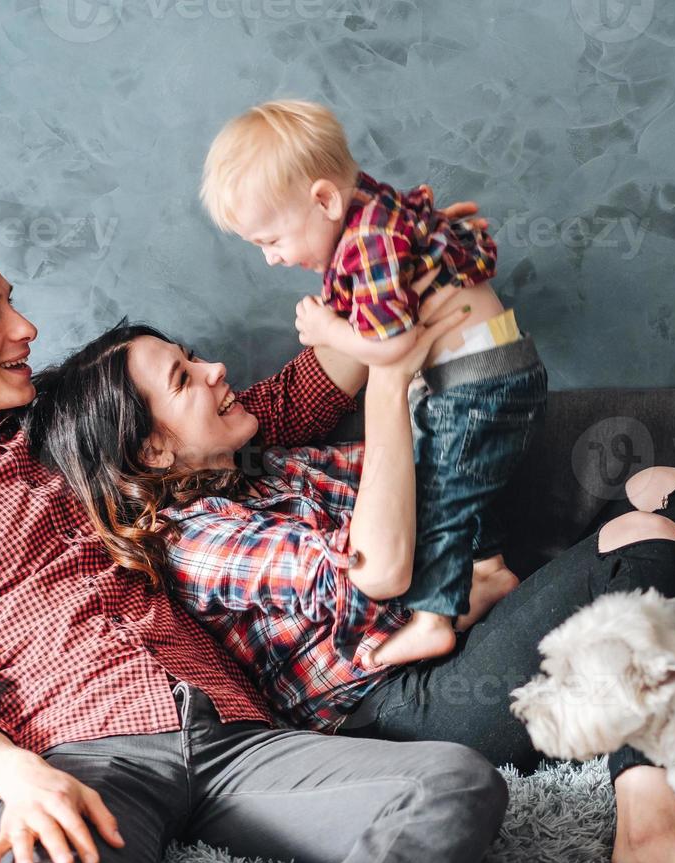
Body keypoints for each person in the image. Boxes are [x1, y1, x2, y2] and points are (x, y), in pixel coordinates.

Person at [0, 212, 510, 863]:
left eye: (9, 300)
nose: (26, 326)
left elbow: (266, 415)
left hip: (239, 737)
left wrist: (382, 260)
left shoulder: (72, 419)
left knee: (454, 782)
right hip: (79, 760)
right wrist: (17, 776)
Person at [33, 321, 675, 863]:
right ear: (157, 450)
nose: (216, 369)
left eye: (193, 356)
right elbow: (371, 578)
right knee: (646, 546)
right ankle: (649, 828)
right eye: (185, 377)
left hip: (447, 649)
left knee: (667, 487)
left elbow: (430, 485)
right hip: (402, 714)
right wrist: (387, 384)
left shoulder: (273, 469)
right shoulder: (197, 542)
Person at [200, 99, 547, 668]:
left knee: (440, 493)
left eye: (271, 240)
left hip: (478, 384)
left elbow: (394, 347)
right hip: (482, 374)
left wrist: (328, 327)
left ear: (323, 200)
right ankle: (484, 570)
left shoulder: (368, 244)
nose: (270, 259)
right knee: (452, 476)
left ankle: (434, 618)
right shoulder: (370, 211)